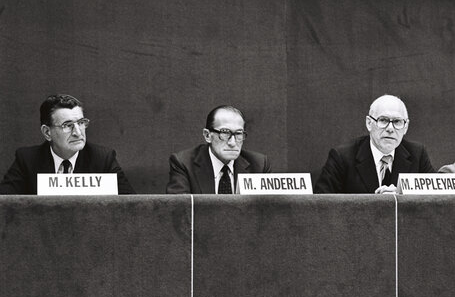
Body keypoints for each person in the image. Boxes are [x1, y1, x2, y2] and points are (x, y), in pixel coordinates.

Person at [0, 94, 134, 194]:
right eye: (67, 125)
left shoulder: (103, 159)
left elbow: (131, 206)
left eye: (81, 123)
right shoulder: (27, 160)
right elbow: (5, 205)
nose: (77, 132)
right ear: (47, 132)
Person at [314, 94, 435, 194]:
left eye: (397, 122)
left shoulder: (418, 155)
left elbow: (438, 200)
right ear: (369, 123)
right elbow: (321, 205)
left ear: (406, 127)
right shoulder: (342, 157)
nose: (390, 129)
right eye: (383, 120)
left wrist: (402, 198)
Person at [166, 105, 271, 194]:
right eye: (225, 133)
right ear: (207, 135)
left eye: (238, 133)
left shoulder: (259, 165)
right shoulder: (184, 164)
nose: (232, 143)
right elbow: (179, 212)